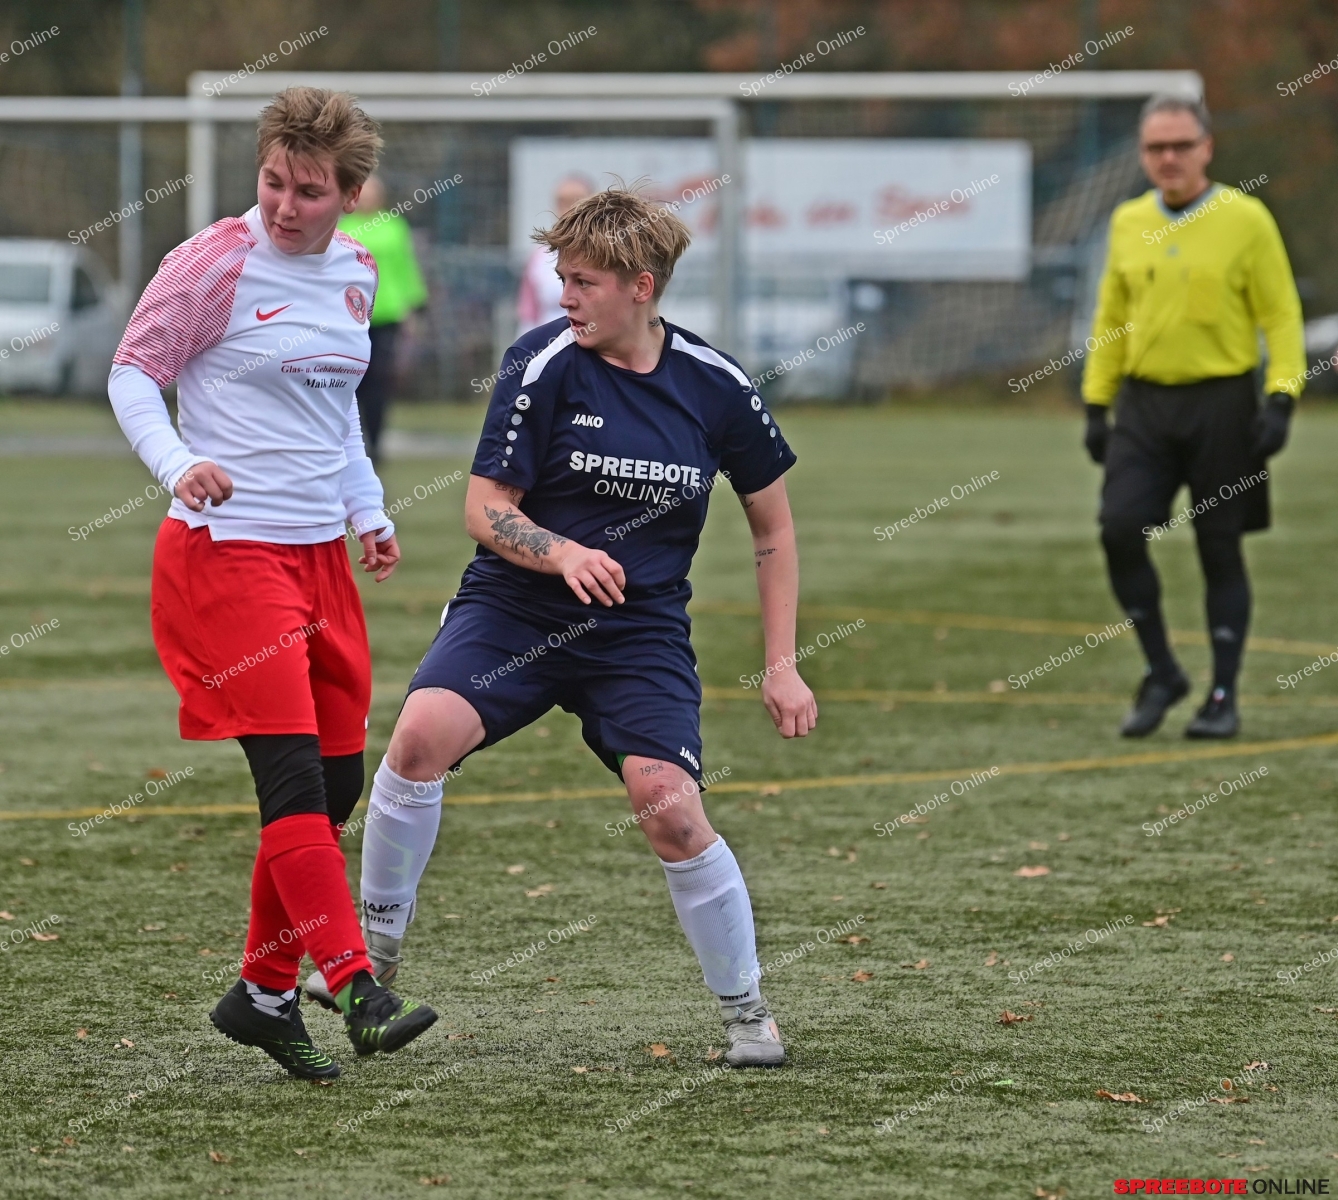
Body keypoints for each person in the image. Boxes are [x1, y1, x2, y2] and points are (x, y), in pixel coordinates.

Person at [304, 184, 816, 1068]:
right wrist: (561, 553)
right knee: (419, 739)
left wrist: (782, 663)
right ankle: (375, 957)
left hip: (638, 631)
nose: (565, 296)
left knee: (670, 810)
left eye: (583, 282)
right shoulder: (541, 362)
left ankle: (749, 1015)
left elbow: (773, 530)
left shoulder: (716, 385)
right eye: (563, 277)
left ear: (641, 287)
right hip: (516, 607)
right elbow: (484, 508)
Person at [108, 86, 436, 1080]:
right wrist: (178, 465)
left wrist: (368, 509)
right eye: (273, 183)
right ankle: (356, 987)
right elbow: (133, 372)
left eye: (309, 190)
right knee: (291, 779)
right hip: (226, 555)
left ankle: (260, 994)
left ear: (351, 194)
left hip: (320, 556)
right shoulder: (213, 260)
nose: (287, 206)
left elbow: (336, 419)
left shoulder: (359, 271)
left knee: (335, 784)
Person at [1081, 94, 1304, 739]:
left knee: (1218, 546)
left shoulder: (1246, 219)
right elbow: (1111, 317)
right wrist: (1097, 402)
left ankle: (1222, 695)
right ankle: (1162, 672)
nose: (1169, 158)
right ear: (1142, 155)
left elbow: (1281, 314)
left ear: (1207, 147)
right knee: (1119, 528)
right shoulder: (1128, 222)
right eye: (1156, 147)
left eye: (1181, 145)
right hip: (1144, 407)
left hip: (1222, 405)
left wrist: (1282, 396)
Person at [337, 174, 428, 465]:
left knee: (378, 380)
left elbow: (406, 267)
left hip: (386, 314)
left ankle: (375, 442)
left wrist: (413, 305)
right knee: (349, 380)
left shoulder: (394, 227)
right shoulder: (341, 227)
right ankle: (351, 442)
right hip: (348, 316)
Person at [516, 174, 594, 332]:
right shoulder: (540, 257)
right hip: (550, 341)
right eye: (562, 202)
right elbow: (529, 315)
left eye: (577, 200)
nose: (569, 209)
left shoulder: (607, 253)